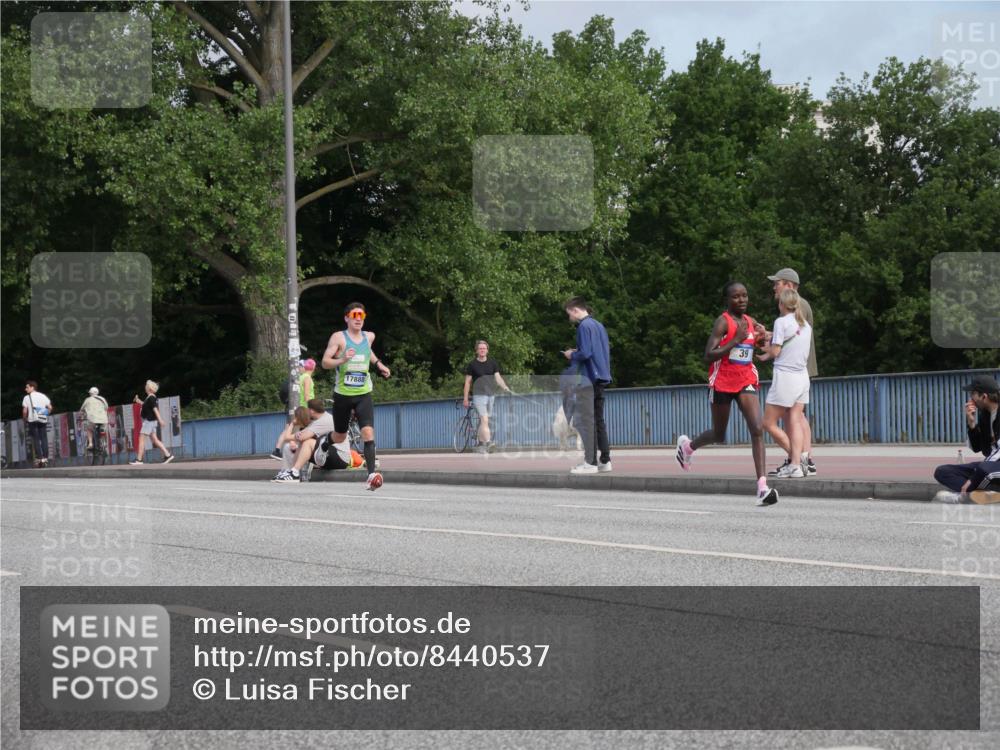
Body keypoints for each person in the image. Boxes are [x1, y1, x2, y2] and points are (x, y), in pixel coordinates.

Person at [675, 282, 778, 507]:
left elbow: (755, 344)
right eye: (736, 297)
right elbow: (708, 355)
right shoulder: (723, 322)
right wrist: (734, 340)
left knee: (757, 429)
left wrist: (764, 342)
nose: (741, 300)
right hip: (722, 382)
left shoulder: (751, 322)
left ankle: (762, 487)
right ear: (727, 300)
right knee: (719, 434)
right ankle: (688, 447)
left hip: (746, 380)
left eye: (745, 296)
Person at [321, 302, 391, 491]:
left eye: (362, 315)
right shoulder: (339, 338)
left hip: (363, 393)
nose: (358, 319)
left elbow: (369, 353)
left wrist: (379, 365)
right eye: (354, 315)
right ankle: (325, 443)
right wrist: (343, 359)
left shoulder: (369, 337)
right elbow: (325, 362)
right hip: (343, 394)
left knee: (368, 433)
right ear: (347, 318)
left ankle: (370, 475)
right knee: (340, 434)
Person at [767, 268, 818, 477]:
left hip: (794, 369)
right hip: (800, 368)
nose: (774, 287)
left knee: (795, 417)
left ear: (788, 285)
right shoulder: (798, 307)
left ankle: (802, 459)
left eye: (777, 283)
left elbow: (790, 339)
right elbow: (793, 334)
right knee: (797, 415)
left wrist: (770, 343)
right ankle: (800, 460)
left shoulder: (796, 306)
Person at [562, 297, 612, 474]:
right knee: (598, 420)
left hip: (589, 379)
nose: (570, 318)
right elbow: (598, 351)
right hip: (602, 376)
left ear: (575, 310)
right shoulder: (598, 326)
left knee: (585, 422)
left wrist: (571, 355)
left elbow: (586, 353)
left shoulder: (583, 326)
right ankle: (605, 460)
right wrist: (580, 353)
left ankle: (589, 463)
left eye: (569, 314)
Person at [933, 375, 1000, 504]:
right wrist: (971, 424)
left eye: (973, 394)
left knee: (983, 468)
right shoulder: (985, 415)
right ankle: (982, 495)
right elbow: (977, 448)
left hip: (992, 467)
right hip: (990, 466)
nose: (970, 399)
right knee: (942, 471)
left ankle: (965, 495)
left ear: (984, 396)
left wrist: (974, 477)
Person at [272, 400, 352, 482]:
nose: (307, 411)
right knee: (296, 444)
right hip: (330, 455)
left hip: (340, 458)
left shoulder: (323, 421)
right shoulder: (319, 420)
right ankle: (290, 471)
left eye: (308, 409)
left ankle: (294, 473)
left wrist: (292, 424)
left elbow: (288, 437)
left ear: (312, 411)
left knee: (307, 442)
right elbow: (294, 438)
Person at [462, 340, 511, 452]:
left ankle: (480, 443)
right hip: (479, 395)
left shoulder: (493, 363)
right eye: (480, 348)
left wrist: (505, 387)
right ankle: (489, 443)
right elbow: (467, 382)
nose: (482, 350)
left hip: (491, 395)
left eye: (484, 348)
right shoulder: (472, 365)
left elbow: (498, 378)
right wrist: (465, 398)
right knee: (484, 419)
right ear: (477, 351)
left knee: (484, 420)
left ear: (487, 350)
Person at [130, 380, 175, 465]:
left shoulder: (151, 397)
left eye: (146, 386)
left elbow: (155, 409)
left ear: (149, 388)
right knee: (155, 440)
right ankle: (168, 455)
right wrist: (138, 401)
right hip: (151, 422)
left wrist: (160, 420)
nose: (145, 387)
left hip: (149, 421)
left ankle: (139, 460)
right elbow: (146, 405)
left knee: (141, 439)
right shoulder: (151, 397)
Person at [22, 381, 52, 467]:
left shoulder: (27, 397)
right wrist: (45, 414)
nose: (25, 389)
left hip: (32, 420)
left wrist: (25, 419)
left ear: (32, 387)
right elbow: (50, 407)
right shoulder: (43, 396)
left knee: (36, 439)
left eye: (27, 387)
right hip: (42, 419)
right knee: (44, 438)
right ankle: (45, 458)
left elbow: (25, 410)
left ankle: (39, 458)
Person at [80, 386, 109, 463]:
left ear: (90, 393)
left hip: (92, 420)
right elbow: (106, 407)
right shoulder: (102, 399)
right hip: (103, 420)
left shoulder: (87, 400)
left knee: (89, 429)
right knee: (103, 431)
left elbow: (82, 409)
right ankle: (104, 444)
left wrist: (82, 415)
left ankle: (90, 443)